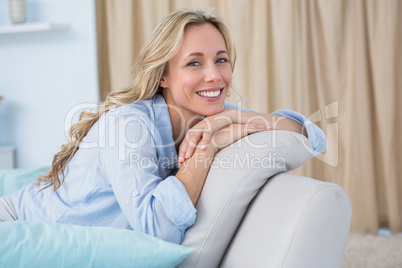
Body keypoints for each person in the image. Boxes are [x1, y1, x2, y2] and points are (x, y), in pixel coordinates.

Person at [0, 9, 326, 244]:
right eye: (194, 62)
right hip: (17, 227)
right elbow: (157, 230)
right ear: (163, 77)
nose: (214, 75)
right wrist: (208, 146)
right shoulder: (128, 125)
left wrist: (228, 120)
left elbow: (310, 138)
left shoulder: (212, 114)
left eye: (221, 59)